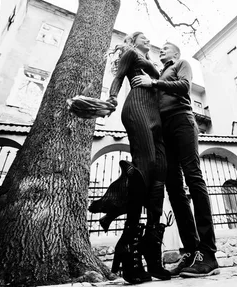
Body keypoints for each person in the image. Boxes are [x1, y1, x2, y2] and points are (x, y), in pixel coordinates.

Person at [131, 42, 220, 278]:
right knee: (174, 188)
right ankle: (191, 251)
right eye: (161, 49)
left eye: (166, 48)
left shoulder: (182, 64)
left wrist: (155, 83)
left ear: (176, 53)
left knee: (193, 178)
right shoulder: (158, 73)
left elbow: (184, 87)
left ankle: (208, 253)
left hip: (182, 120)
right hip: (163, 129)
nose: (162, 50)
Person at [88, 32, 170, 283]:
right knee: (144, 170)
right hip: (137, 109)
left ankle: (152, 251)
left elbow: (161, 83)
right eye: (143, 36)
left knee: (159, 176)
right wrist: (111, 99)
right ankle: (129, 246)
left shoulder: (153, 65)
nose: (149, 39)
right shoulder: (131, 53)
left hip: (156, 115)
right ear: (133, 41)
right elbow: (117, 78)